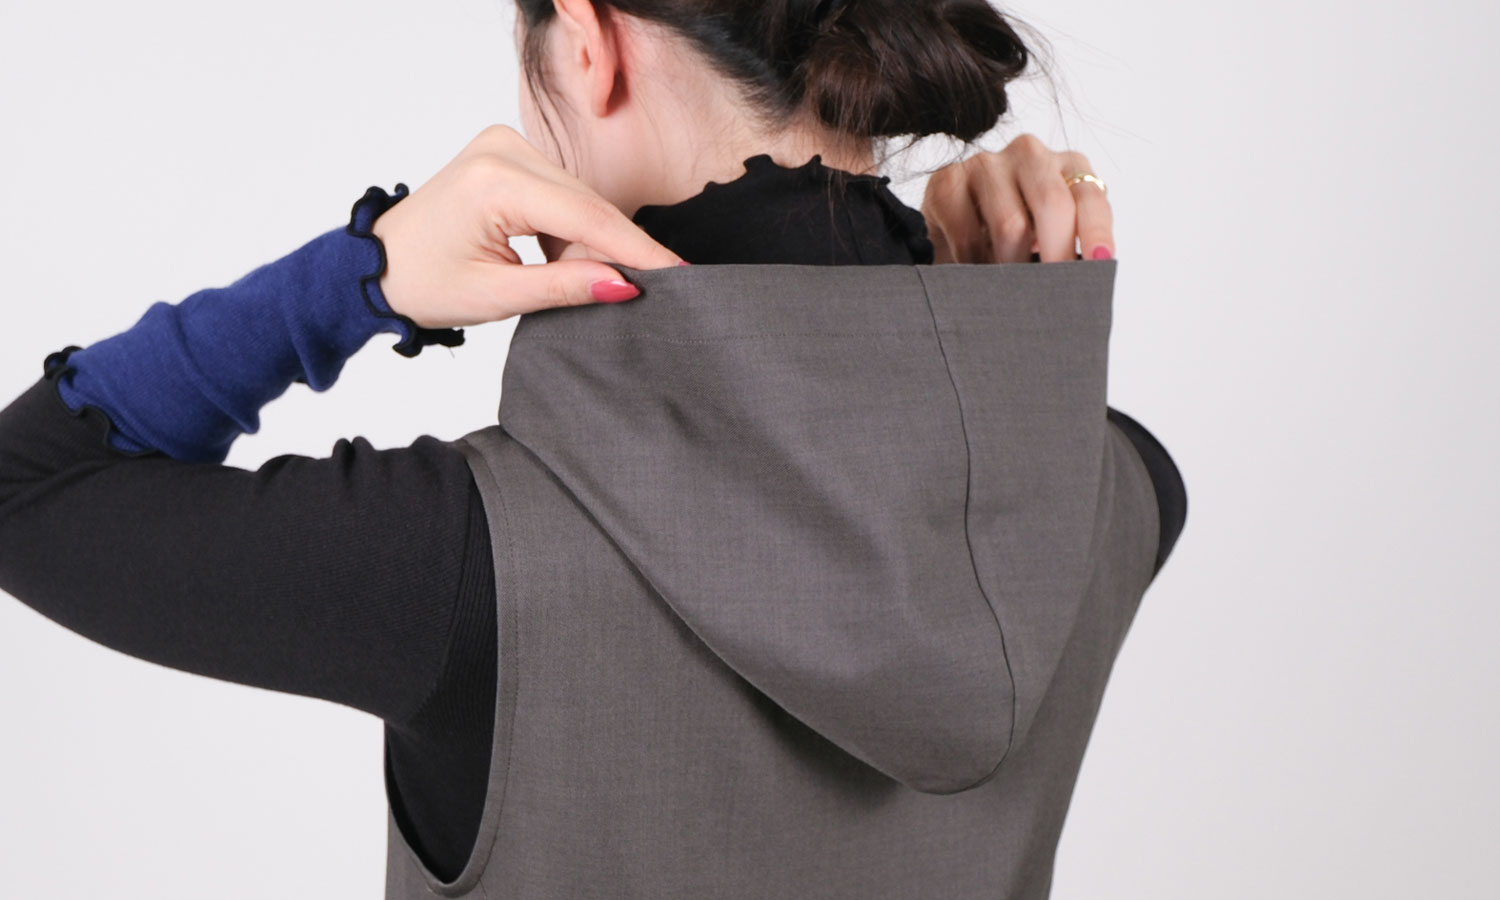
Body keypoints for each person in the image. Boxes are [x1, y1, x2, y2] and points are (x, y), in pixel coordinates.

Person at [0, 0, 1186, 896]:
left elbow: (26, 489)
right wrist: (979, 332)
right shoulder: (1123, 489)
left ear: (586, 40)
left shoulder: (463, 558)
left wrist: (366, 275)